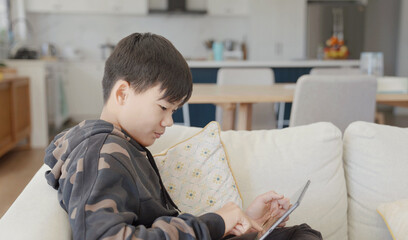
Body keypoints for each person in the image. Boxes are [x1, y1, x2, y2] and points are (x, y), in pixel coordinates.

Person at [44, 32, 322, 240]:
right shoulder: (99, 152)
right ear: (122, 94)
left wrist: (241, 221)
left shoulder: (125, 147)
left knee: (301, 234)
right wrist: (215, 223)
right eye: (163, 107)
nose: (169, 121)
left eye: (174, 110)